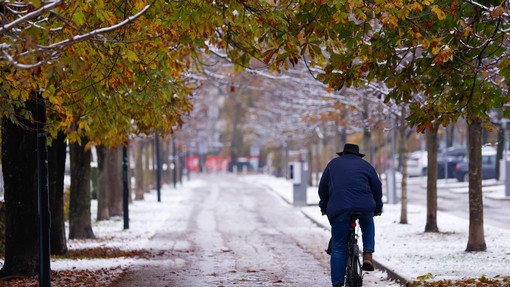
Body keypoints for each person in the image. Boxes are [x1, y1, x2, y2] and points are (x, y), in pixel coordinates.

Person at [318, 143, 383, 287]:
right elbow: (377, 188)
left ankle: (337, 283)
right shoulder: (366, 166)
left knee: (338, 246)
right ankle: (367, 253)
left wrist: (324, 206)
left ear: (343, 154)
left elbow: (322, 189)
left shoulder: (332, 165)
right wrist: (377, 208)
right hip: (365, 206)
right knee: (367, 223)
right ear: (357, 155)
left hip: (340, 208)